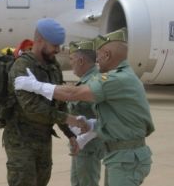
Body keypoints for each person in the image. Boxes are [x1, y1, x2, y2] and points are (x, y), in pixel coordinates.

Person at [14, 28, 155, 186]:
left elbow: (73, 94)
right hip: (121, 156)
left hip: (126, 158)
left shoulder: (117, 79)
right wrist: (91, 125)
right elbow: (119, 118)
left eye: (99, 55)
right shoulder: (121, 76)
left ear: (107, 54)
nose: (97, 60)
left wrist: (36, 86)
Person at [5, 18, 82, 186]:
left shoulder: (53, 67)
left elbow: (59, 103)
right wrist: (67, 119)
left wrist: (70, 134)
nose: (58, 50)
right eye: (55, 45)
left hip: (44, 139)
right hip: (20, 140)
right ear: (39, 41)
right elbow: (32, 108)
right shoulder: (22, 67)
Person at [66, 40, 104, 186]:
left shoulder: (94, 82)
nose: (70, 63)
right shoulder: (84, 81)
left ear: (81, 60)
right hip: (81, 146)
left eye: (71, 59)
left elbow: (104, 117)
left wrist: (83, 139)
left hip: (89, 148)